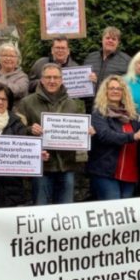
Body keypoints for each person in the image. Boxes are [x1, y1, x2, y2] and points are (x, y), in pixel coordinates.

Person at [16, 63, 90, 204]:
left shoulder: (73, 104)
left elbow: (80, 131)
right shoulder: (26, 103)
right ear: (41, 80)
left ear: (61, 80)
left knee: (65, 211)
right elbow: (16, 130)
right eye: (48, 77)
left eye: (56, 77)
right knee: (41, 208)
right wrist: (30, 130)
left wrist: (86, 131)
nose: (52, 81)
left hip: (67, 165)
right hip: (42, 166)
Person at [87, 76, 140, 199]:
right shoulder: (98, 113)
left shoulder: (132, 115)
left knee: (125, 213)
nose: (115, 91)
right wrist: (132, 136)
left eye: (119, 89)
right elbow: (105, 135)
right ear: (105, 91)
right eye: (112, 88)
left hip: (130, 171)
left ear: (124, 92)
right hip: (106, 171)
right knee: (113, 209)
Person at [82, 26, 131, 113]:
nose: (110, 41)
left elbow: (129, 88)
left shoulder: (126, 61)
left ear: (118, 42)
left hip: (113, 111)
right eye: (107, 38)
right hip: (91, 108)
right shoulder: (90, 58)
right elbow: (81, 84)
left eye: (114, 39)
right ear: (102, 39)